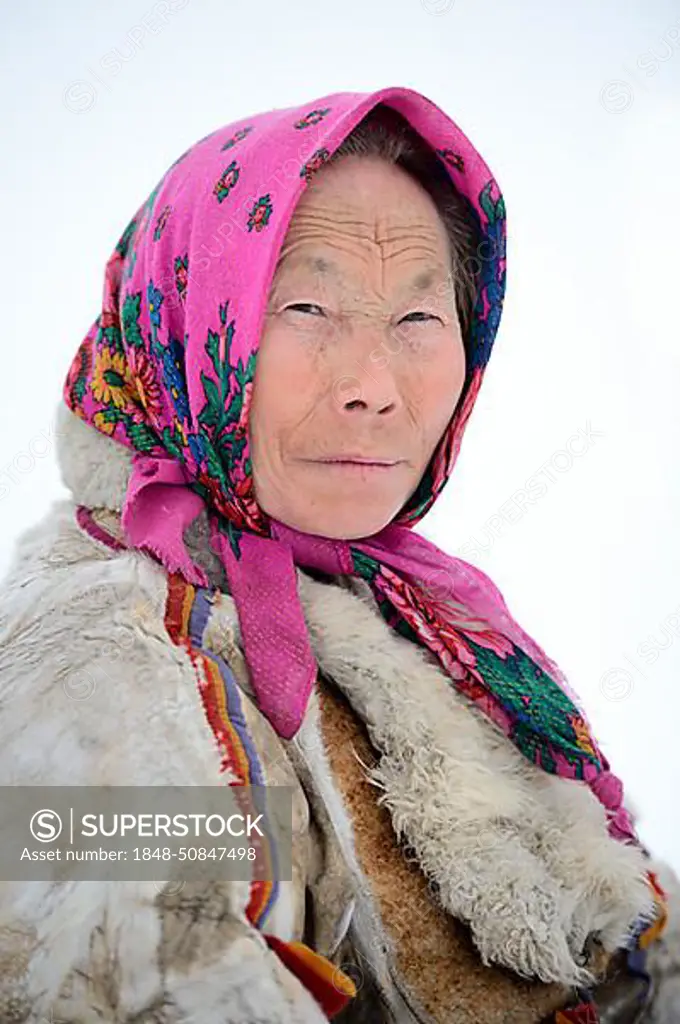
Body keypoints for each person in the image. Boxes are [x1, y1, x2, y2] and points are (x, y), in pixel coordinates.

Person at [0, 86, 677, 1024]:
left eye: (416, 320)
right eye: (307, 306)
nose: (372, 387)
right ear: (187, 327)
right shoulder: (98, 656)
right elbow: (154, 985)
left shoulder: (412, 611)